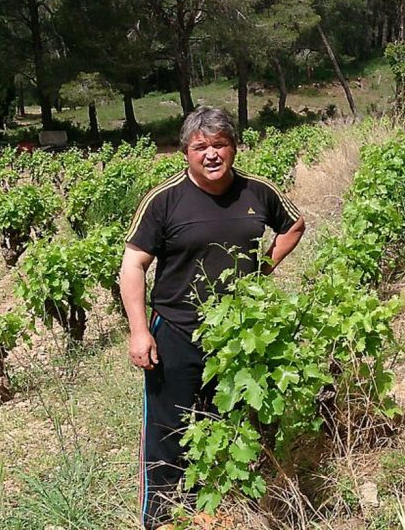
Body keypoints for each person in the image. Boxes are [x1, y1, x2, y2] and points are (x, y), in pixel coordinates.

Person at [120, 107, 305, 529]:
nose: (211, 154)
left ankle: (221, 509)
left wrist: (263, 268)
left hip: (240, 332)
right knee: (170, 430)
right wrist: (139, 330)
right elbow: (132, 266)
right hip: (176, 332)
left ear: (233, 147)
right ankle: (162, 518)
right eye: (200, 147)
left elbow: (294, 225)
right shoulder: (164, 199)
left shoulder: (257, 191)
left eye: (220, 144)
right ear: (186, 152)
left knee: (235, 423)